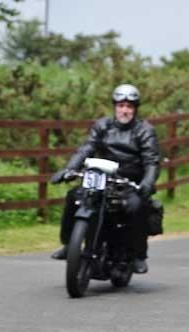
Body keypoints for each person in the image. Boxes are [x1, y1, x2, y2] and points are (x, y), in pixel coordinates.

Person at [50, 83, 160, 274]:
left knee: (136, 206)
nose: (124, 110)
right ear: (115, 107)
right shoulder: (103, 125)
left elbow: (151, 161)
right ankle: (69, 245)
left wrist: (147, 183)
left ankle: (137, 255)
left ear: (135, 109)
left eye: (129, 106)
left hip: (128, 182)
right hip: (100, 177)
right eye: (121, 105)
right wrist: (69, 169)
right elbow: (86, 148)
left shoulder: (144, 130)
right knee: (73, 197)